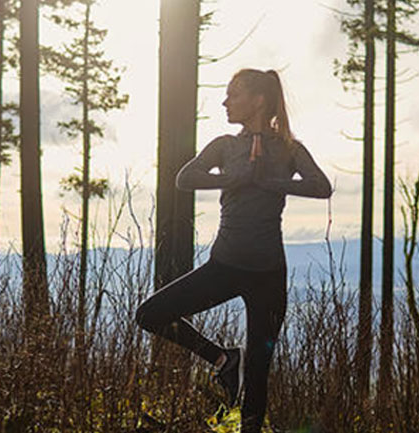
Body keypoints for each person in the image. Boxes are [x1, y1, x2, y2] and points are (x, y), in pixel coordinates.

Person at [135, 68, 332, 433]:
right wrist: (231, 178)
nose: (225, 101)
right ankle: (223, 358)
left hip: (269, 274)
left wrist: (270, 182)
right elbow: (185, 178)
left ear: (258, 100)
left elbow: (323, 186)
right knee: (149, 314)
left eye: (234, 94)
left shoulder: (289, 148)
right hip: (224, 266)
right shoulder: (225, 145)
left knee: (259, 371)